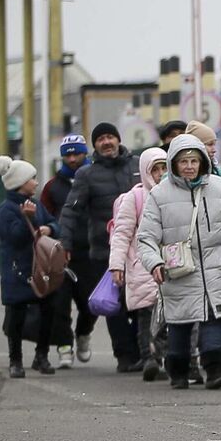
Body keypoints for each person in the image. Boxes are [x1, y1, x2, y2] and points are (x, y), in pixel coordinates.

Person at [137, 135, 221, 390]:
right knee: (180, 322)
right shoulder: (159, 194)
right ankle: (178, 371)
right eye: (184, 161)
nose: (189, 166)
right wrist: (154, 263)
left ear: (202, 162)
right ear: (174, 163)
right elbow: (146, 238)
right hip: (178, 269)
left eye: (194, 160)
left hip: (214, 267)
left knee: (213, 317)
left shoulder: (218, 187)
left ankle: (215, 369)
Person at [58, 122, 143, 371]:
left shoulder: (137, 165)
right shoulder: (87, 175)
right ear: (94, 146)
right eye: (100, 139)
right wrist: (65, 243)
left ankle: (143, 352)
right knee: (113, 306)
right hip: (104, 253)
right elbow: (70, 211)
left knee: (140, 302)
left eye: (110, 137)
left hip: (138, 250)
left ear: (118, 140)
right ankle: (125, 357)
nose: (106, 142)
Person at [0, 155, 60, 378]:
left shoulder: (37, 204)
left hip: (42, 268)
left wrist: (49, 229)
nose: (36, 182)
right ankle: (15, 360)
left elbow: (53, 223)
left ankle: (41, 356)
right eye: (32, 179)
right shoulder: (7, 210)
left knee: (48, 311)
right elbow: (15, 237)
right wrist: (30, 221)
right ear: (20, 183)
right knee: (16, 316)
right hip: (18, 270)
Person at [107, 148, 169, 380]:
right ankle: (149, 358)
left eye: (165, 168)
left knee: (167, 316)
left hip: (170, 263)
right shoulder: (135, 197)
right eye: (156, 169)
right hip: (141, 266)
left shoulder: (174, 194)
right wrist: (117, 265)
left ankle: (162, 355)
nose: (161, 174)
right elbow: (121, 234)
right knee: (146, 315)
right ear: (145, 171)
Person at [39, 133, 91, 368]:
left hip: (90, 251)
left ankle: (83, 334)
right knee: (60, 303)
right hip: (60, 254)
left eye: (76, 153)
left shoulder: (95, 179)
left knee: (90, 303)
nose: (72, 159)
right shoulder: (52, 187)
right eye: (68, 155)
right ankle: (64, 347)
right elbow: (45, 216)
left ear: (85, 153)